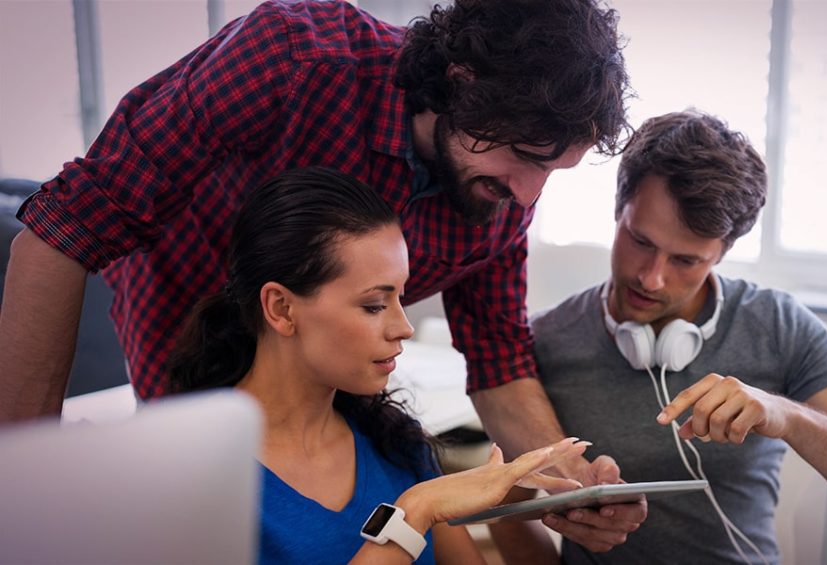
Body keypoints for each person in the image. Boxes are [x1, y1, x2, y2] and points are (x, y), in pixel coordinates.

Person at [0, 0, 642, 551]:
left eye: (553, 171)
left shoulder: (500, 202)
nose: (529, 196)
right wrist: (27, 496)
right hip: (180, 308)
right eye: (525, 157)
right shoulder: (295, 58)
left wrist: (565, 478)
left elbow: (499, 360)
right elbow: (63, 231)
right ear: (461, 80)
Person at [166, 166, 591, 564]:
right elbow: (419, 510)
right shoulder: (190, 472)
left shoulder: (397, 444)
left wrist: (516, 498)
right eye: (373, 305)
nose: (403, 327)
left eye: (400, 298)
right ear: (281, 308)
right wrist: (415, 511)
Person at [524, 110, 827, 564]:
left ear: (723, 251)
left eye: (686, 261)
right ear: (618, 210)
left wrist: (784, 415)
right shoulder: (545, 338)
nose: (651, 278)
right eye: (640, 240)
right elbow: (505, 499)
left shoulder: (780, 326)